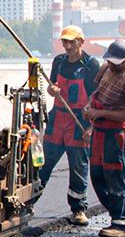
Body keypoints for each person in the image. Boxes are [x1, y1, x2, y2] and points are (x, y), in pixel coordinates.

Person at [40, 25, 102, 224]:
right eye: (64, 42)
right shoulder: (58, 62)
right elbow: (50, 87)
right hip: (57, 120)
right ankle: (26, 204)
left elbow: (98, 97)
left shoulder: (91, 65)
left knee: (78, 167)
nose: (67, 46)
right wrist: (52, 90)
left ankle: (78, 209)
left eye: (71, 41)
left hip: (79, 123)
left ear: (81, 42)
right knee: (43, 164)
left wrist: (91, 127)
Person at [86, 40, 125, 237]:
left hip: (116, 134)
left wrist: (101, 114)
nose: (111, 65)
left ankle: (121, 224)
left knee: (115, 177)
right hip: (100, 131)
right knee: (97, 175)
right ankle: (123, 213)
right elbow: (96, 94)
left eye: (115, 62)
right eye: (109, 61)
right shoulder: (104, 70)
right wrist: (90, 111)